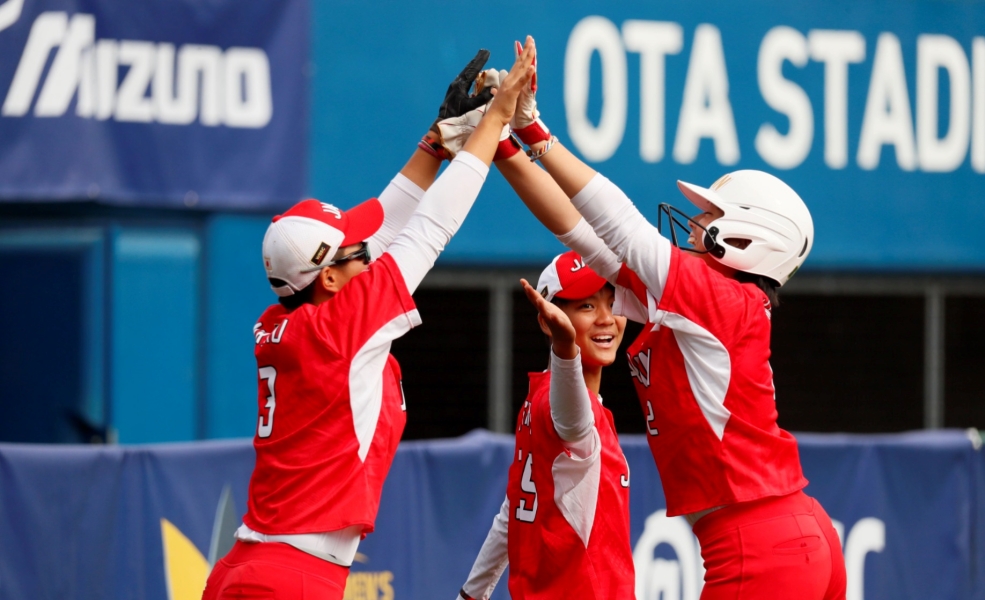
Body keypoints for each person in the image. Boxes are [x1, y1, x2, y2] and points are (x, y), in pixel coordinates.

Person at [490, 42, 846, 600]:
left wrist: (536, 133)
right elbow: (581, 235)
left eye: (710, 217)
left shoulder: (720, 299)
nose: (696, 222)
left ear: (752, 239)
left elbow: (624, 228)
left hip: (757, 540)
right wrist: (497, 146)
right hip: (787, 530)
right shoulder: (709, 305)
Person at [201, 39, 537, 599]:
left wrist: (436, 140)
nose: (368, 252)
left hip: (249, 567)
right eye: (352, 253)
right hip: (293, 578)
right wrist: (495, 120)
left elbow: (383, 220)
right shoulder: (340, 327)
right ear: (329, 277)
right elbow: (431, 226)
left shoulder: (288, 313)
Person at [457, 251, 635, 600]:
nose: (606, 318)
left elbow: (513, 510)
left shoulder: (536, 398)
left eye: (613, 303)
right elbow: (573, 424)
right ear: (548, 320)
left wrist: (471, 593)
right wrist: (564, 348)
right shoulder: (563, 407)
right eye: (586, 306)